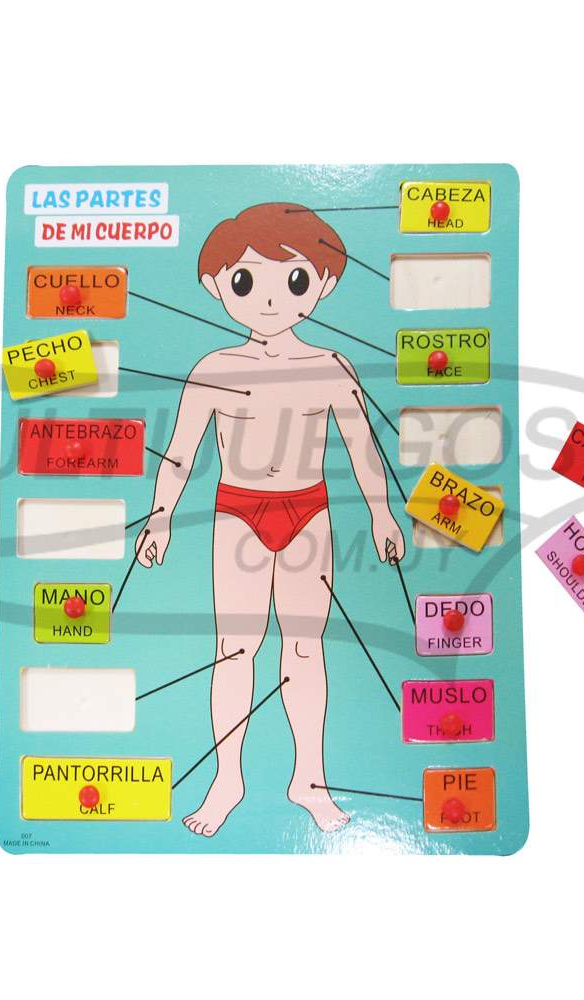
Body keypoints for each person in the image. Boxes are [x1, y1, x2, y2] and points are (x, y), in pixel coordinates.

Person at [137, 203, 404, 836]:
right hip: (238, 512)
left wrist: (382, 513)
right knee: (234, 650)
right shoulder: (214, 369)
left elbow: (363, 447)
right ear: (216, 286)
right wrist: (160, 517)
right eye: (245, 281)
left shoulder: (331, 367)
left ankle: (308, 777)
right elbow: (180, 452)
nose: (268, 299)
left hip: (309, 511)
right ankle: (227, 777)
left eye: (294, 280)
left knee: (306, 649)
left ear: (323, 285)